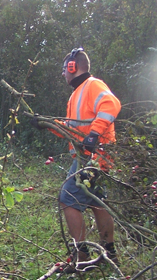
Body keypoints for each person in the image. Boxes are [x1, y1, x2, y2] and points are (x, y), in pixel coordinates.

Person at [32, 48, 121, 265]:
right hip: (93, 158)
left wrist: (95, 133)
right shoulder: (76, 94)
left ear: (73, 67)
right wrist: (49, 125)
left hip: (94, 158)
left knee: (67, 199)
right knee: (97, 203)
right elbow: (73, 129)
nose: (63, 74)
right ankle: (109, 253)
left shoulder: (93, 85)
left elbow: (112, 104)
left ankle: (81, 256)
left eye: (65, 69)